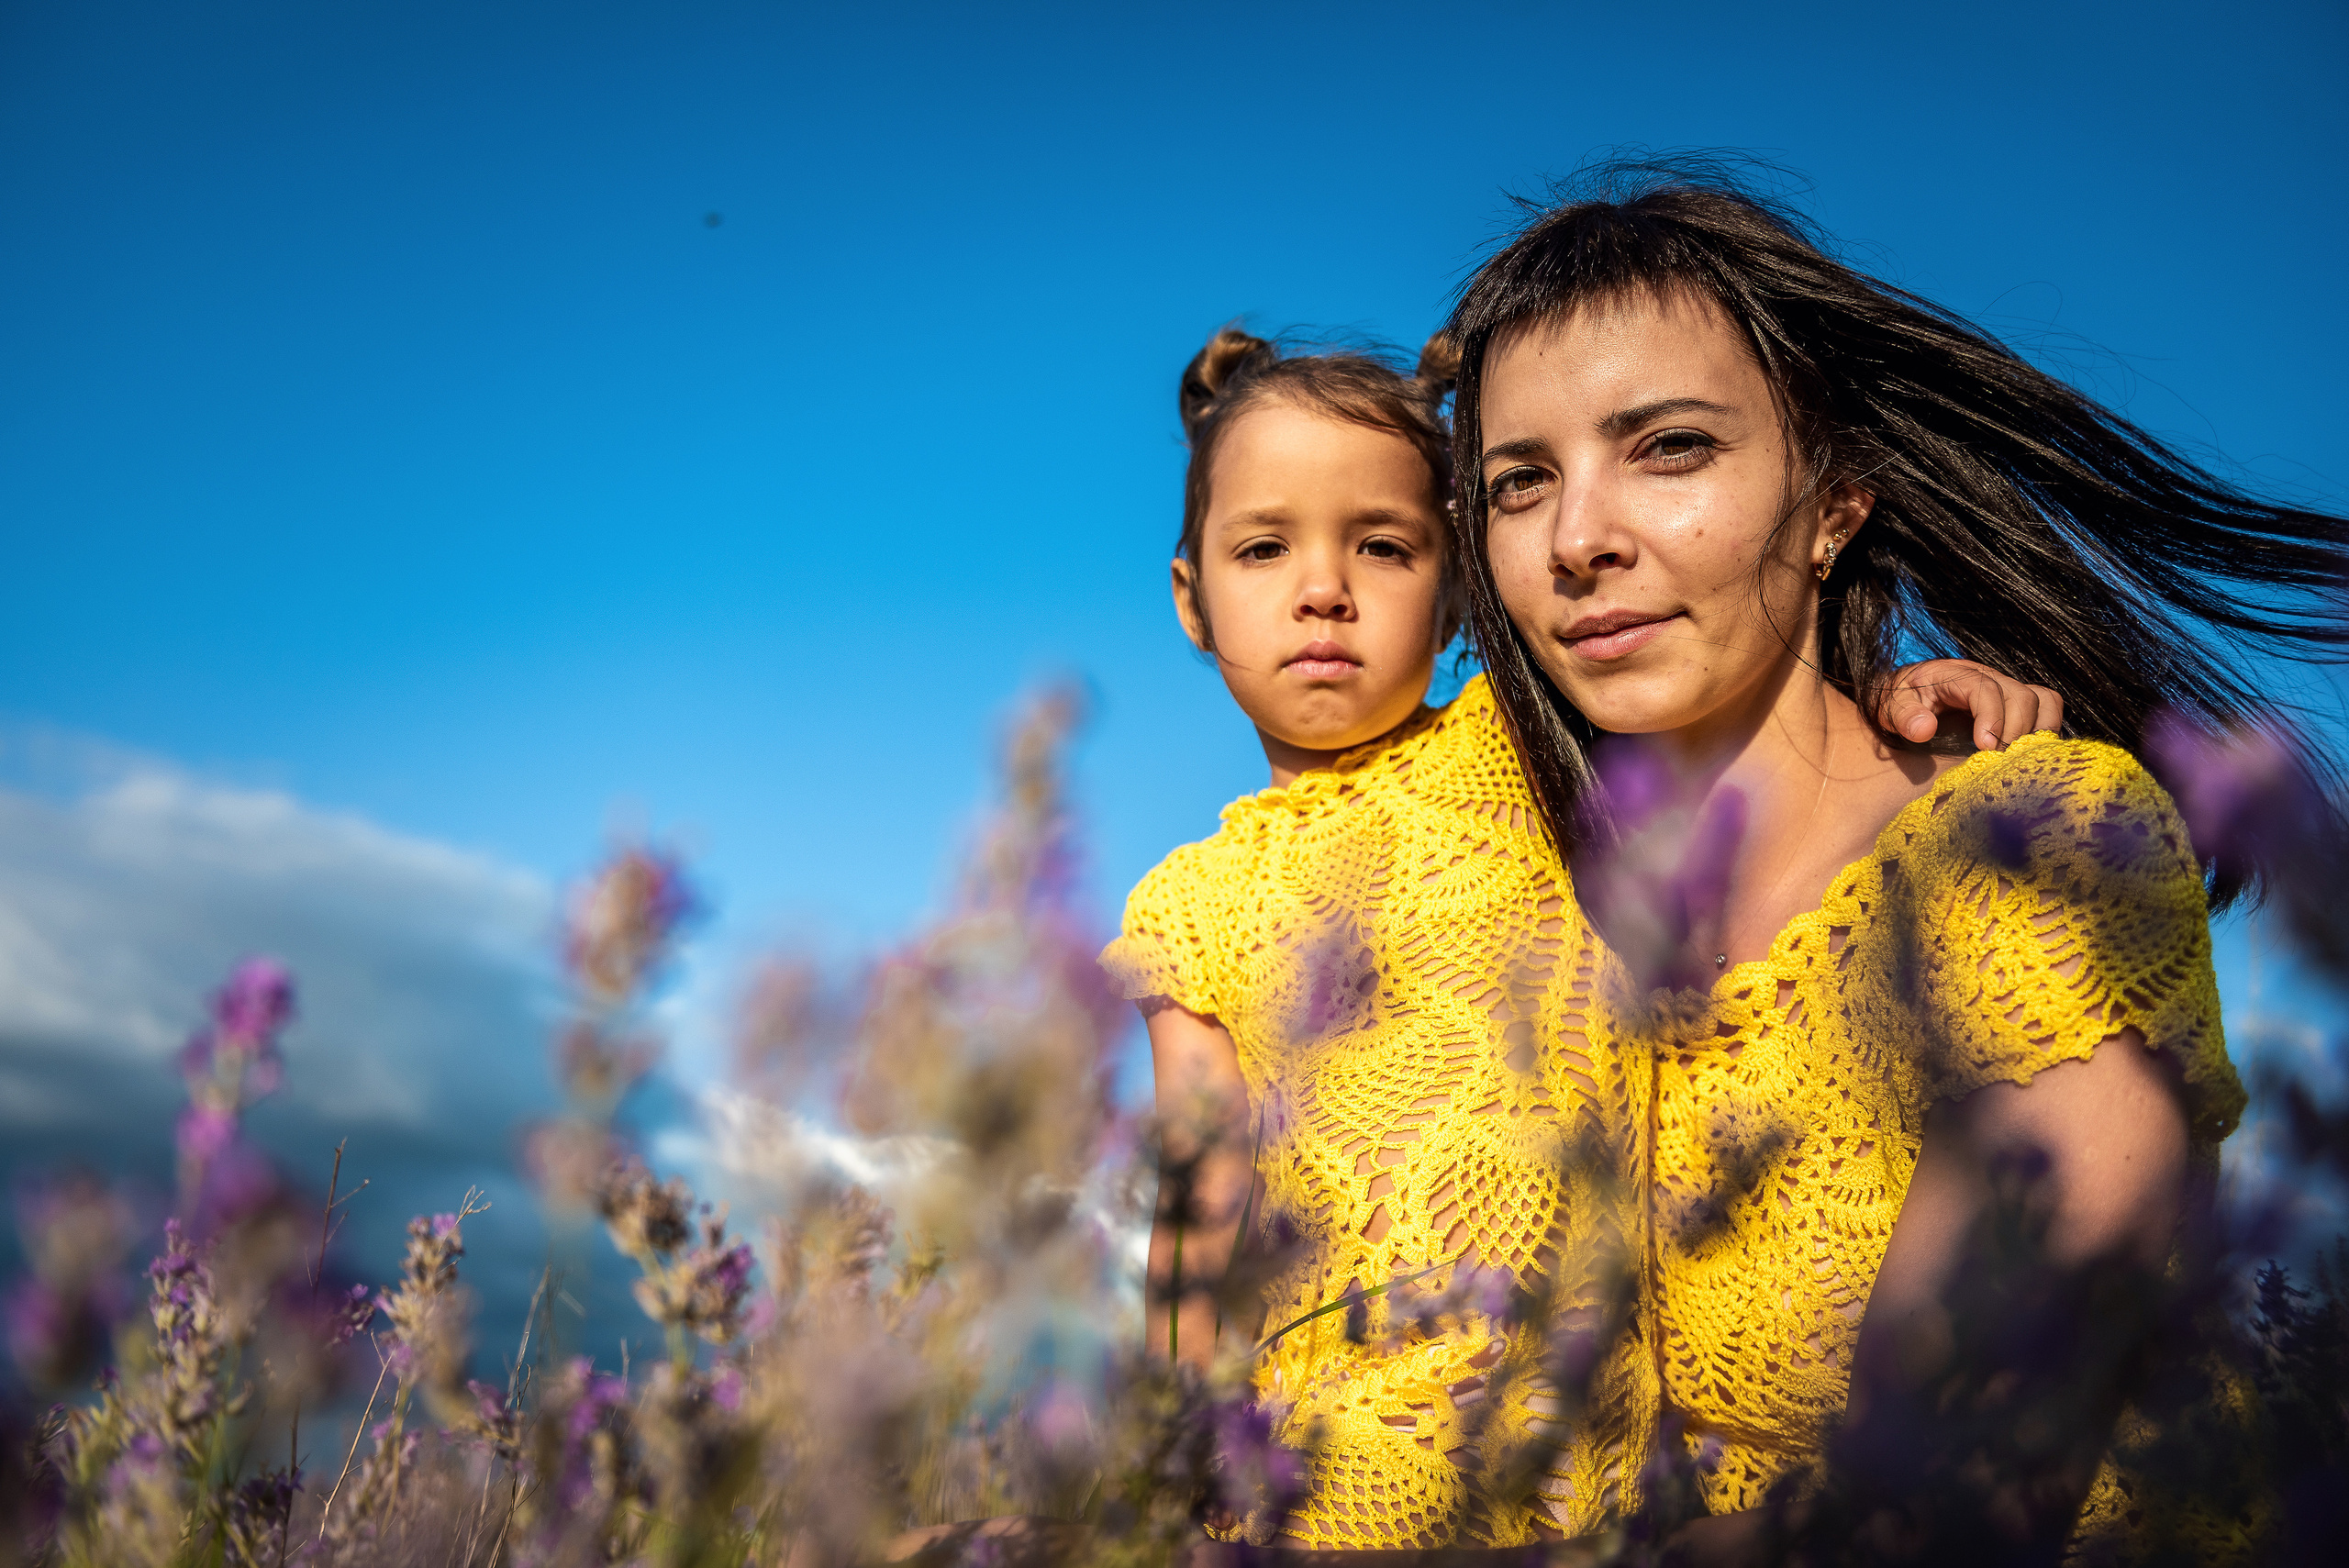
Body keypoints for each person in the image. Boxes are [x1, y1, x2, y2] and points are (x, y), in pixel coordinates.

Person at [1441, 160, 2349, 1562]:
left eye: (1670, 447)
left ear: (1836, 497)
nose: (1578, 539)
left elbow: (1948, 1506)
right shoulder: (1515, 864)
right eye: (1519, 482)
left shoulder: (2036, 843)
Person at [1102, 323, 2069, 1551]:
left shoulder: (1521, 744)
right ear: (1191, 598)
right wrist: (1174, 1462)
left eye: (1385, 547)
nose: (1323, 589)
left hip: (1583, 1432)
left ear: (1464, 588)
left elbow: (1743, 705)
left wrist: (1896, 702)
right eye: (1262, 547)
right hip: (1323, 1434)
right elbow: (1200, 1204)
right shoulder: (1188, 900)